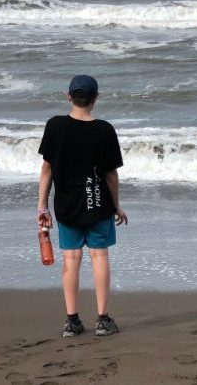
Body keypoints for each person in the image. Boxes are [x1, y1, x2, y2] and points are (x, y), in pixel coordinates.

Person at [37, 74, 128, 338]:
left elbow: (47, 169)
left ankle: (72, 320)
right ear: (95, 99)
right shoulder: (104, 130)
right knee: (99, 256)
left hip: (67, 205)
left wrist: (42, 207)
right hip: (98, 203)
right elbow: (111, 174)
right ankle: (102, 319)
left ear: (68, 95)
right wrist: (117, 205)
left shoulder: (55, 126)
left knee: (71, 258)